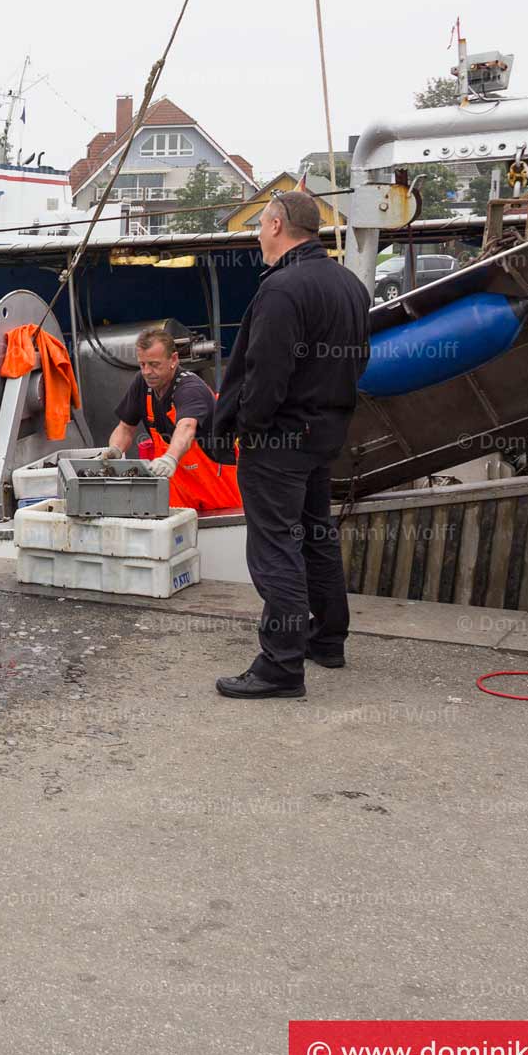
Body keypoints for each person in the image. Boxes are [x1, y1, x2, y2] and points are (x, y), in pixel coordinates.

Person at [208, 189, 370, 699]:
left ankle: (280, 664)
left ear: (277, 225)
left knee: (277, 544)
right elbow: (358, 360)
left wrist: (247, 429)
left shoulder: (282, 289)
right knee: (316, 535)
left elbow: (266, 375)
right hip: (324, 432)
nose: (257, 235)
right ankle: (327, 639)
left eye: (260, 225)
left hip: (279, 437)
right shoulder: (349, 284)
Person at [103, 327, 242, 513]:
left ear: (174, 360)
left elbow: (186, 427)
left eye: (154, 364)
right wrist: (115, 450)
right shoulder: (142, 385)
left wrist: (170, 458)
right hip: (180, 501)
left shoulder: (190, 388)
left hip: (221, 499)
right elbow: (126, 428)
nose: (147, 372)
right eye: (142, 364)